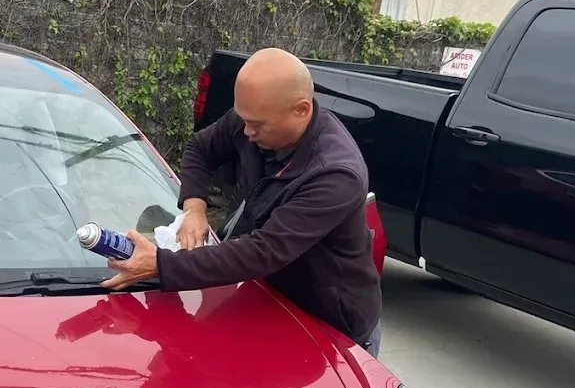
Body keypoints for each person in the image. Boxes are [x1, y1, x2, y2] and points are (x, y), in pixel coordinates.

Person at [101, 47, 384, 357]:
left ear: (301, 110)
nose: (246, 132)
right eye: (243, 119)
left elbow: (264, 251)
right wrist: (195, 207)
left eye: (257, 125)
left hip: (330, 326)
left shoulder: (335, 173)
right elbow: (201, 147)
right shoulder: (256, 115)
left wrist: (160, 264)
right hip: (268, 303)